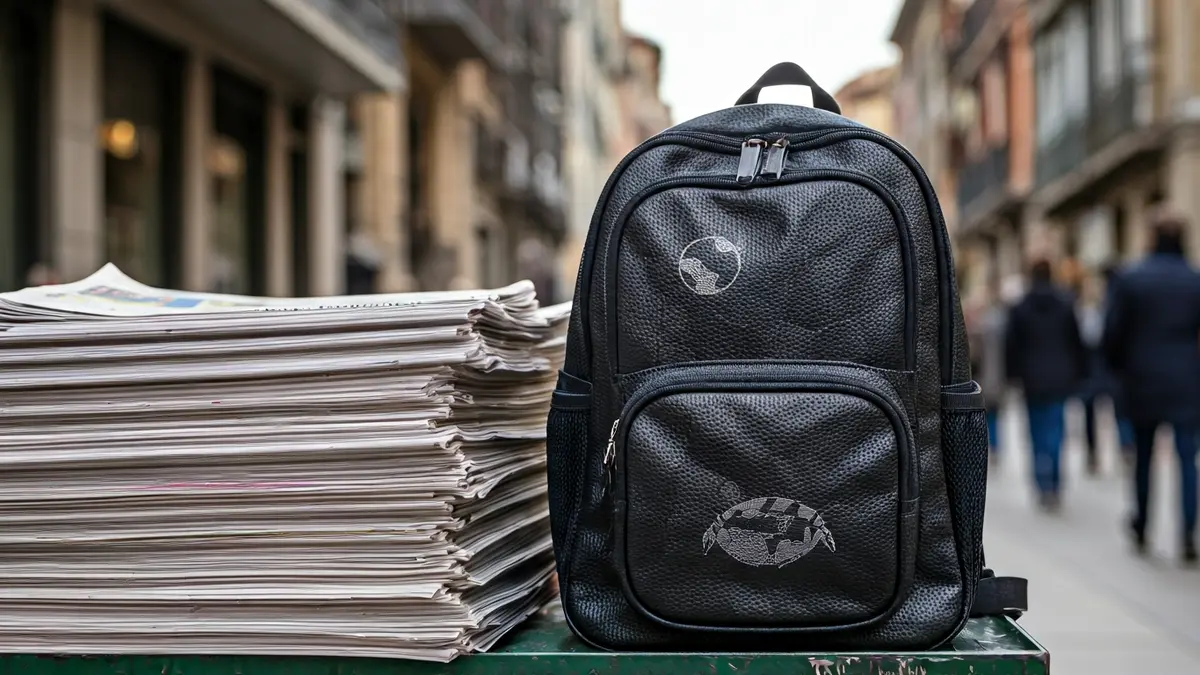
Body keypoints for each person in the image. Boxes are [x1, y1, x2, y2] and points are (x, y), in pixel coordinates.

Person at [1103, 208, 1200, 564]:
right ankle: (1188, 533)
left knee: (1143, 457)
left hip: (1141, 378)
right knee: (1187, 458)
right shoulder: (1194, 280)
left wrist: (1117, 369)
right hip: (1187, 381)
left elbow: (1112, 334)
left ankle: (1143, 525)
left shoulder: (1132, 279)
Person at [1005, 258, 1088, 511]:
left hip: (1032, 378)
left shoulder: (1020, 307)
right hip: (1060, 377)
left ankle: (1041, 483)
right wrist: (1080, 372)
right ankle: (1053, 483)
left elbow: (1012, 345)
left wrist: (1013, 375)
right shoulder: (1065, 303)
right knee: (1056, 430)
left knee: (1036, 431)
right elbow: (1076, 341)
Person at [967, 276, 1008, 460]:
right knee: (993, 417)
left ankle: (991, 446)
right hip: (995, 380)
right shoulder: (998, 325)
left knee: (988, 416)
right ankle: (995, 447)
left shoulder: (977, 331)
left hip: (984, 380)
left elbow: (974, 359)